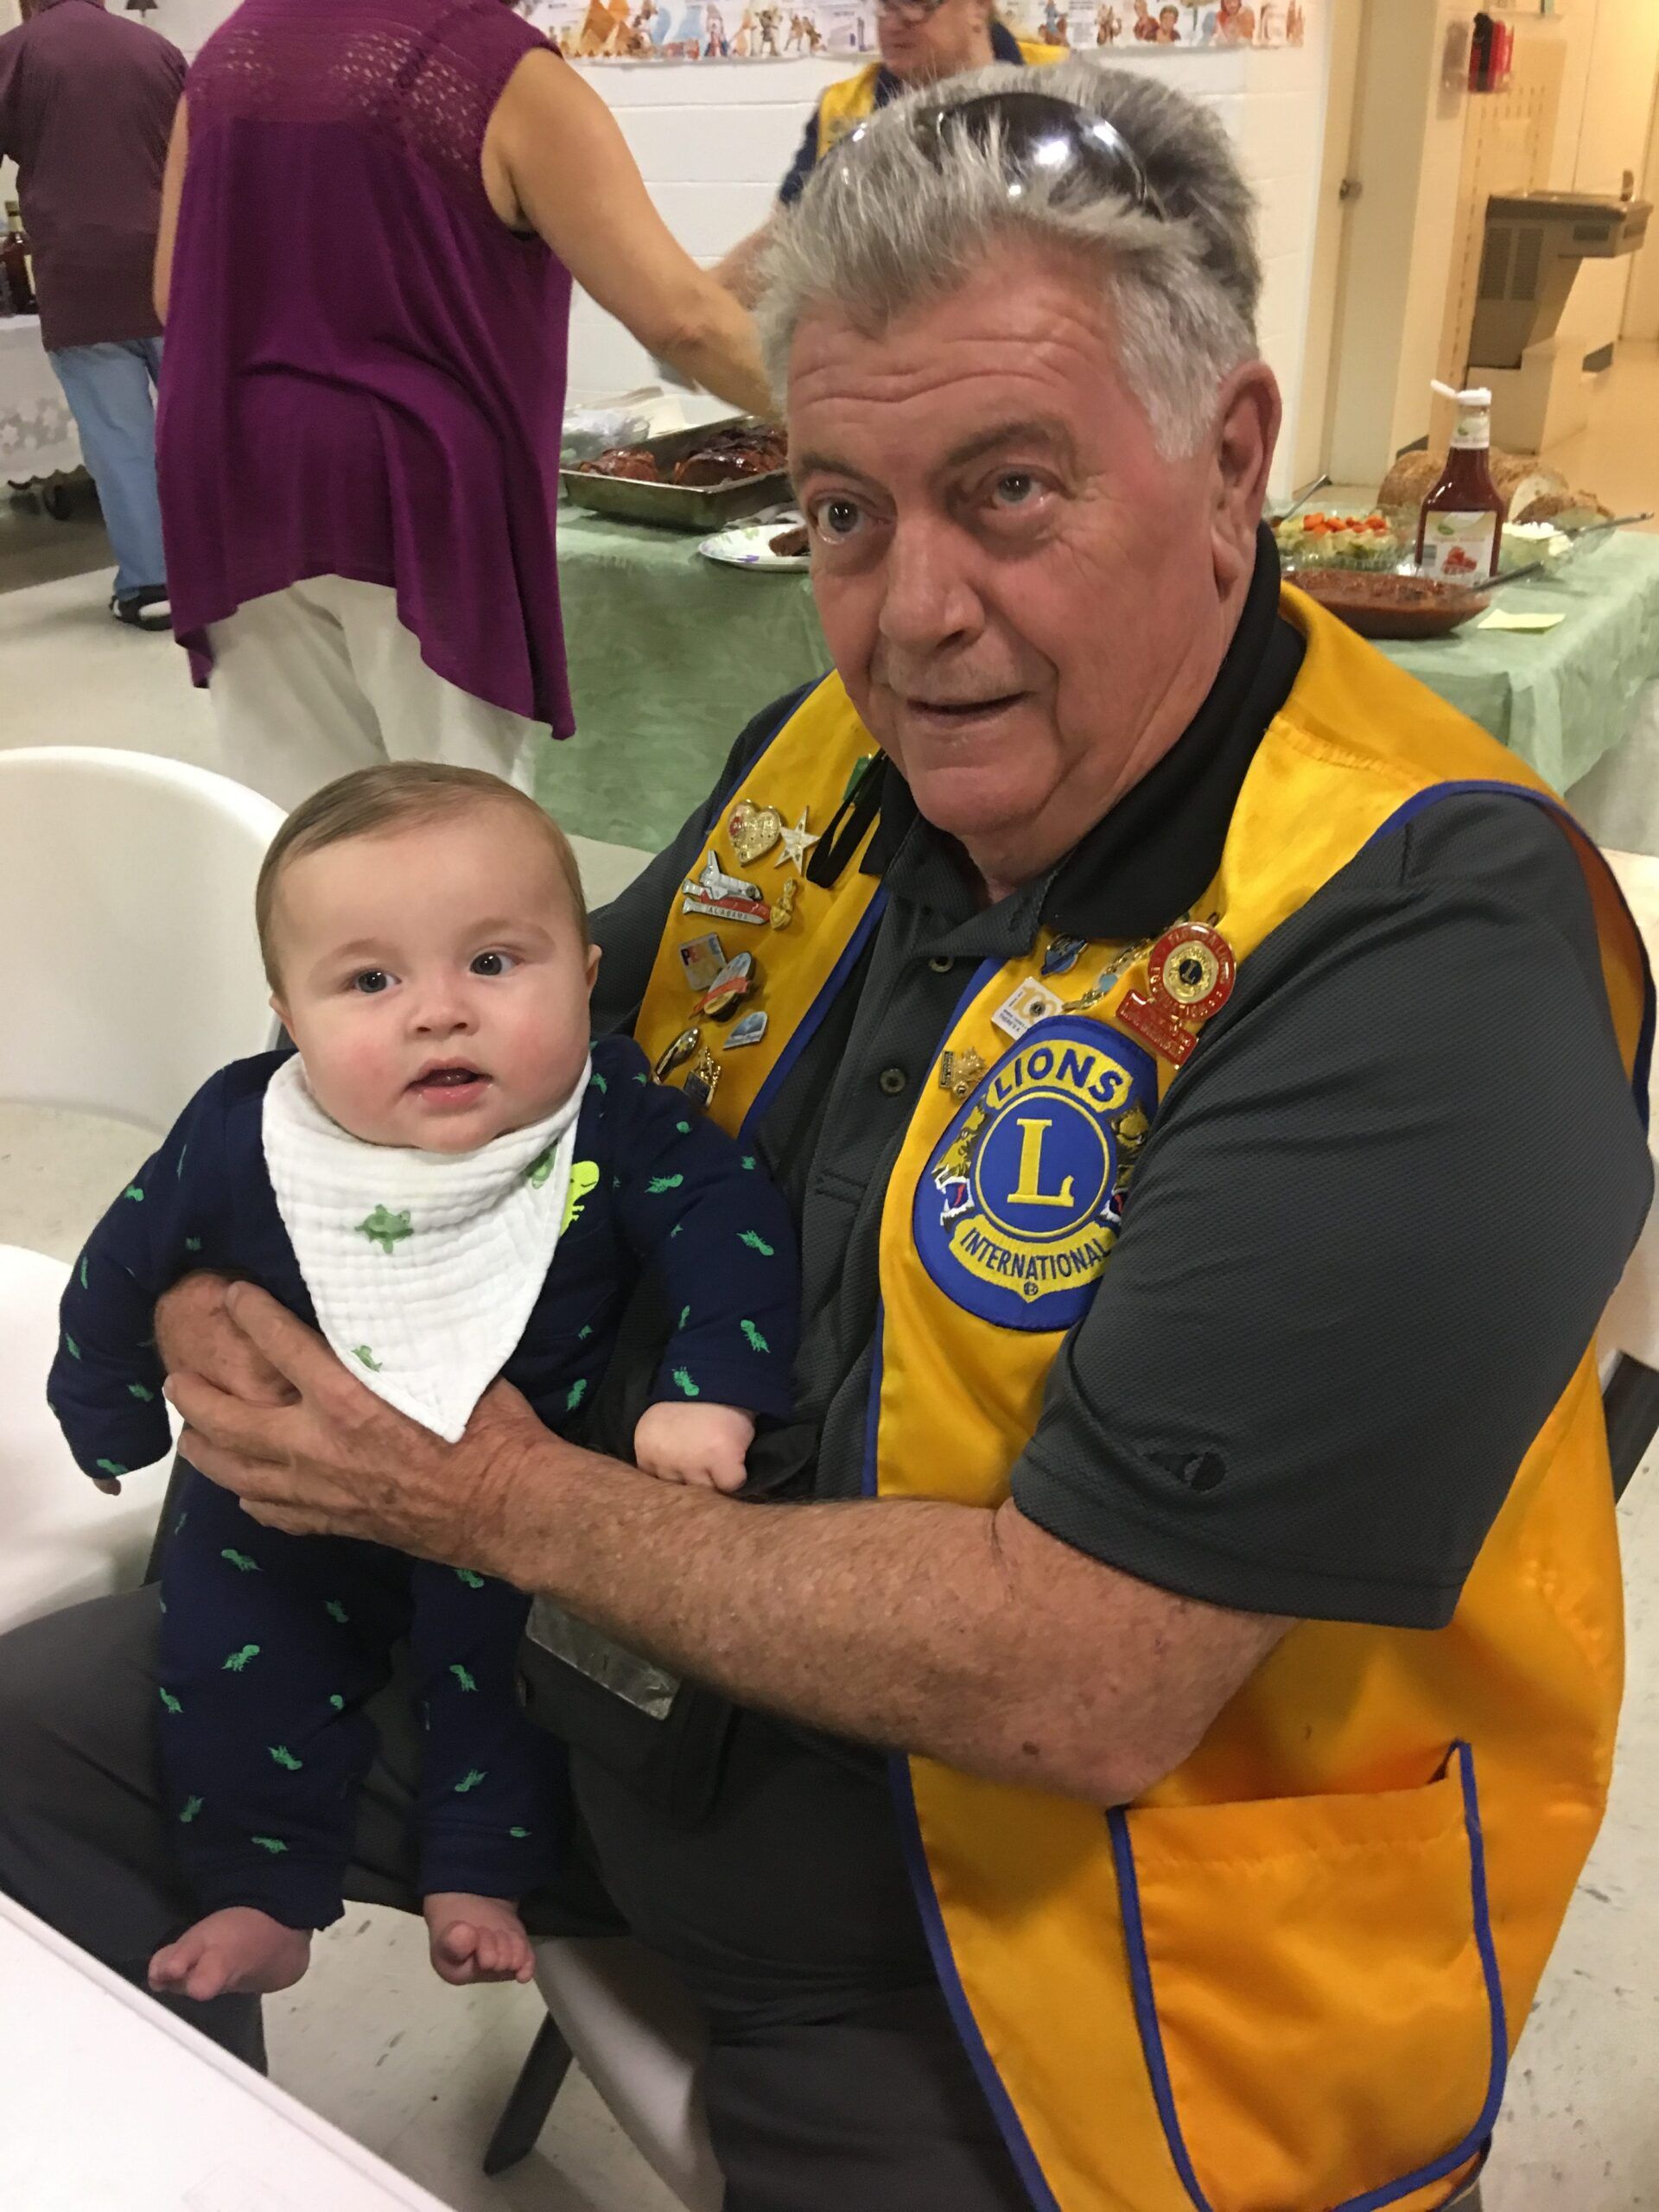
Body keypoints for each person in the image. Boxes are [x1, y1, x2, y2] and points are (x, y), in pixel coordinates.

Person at [3, 59, 1653, 2212]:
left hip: (1056, 1913)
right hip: (621, 1666)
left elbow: (1090, 1676)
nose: (910, 612)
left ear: (1232, 457)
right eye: (847, 509)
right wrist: (248, 1252)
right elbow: (511, 1069)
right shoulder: (834, 752)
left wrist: (478, 1496)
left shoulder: (1426, 929)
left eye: (1011, 488)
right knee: (32, 1753)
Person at [47, 763, 797, 2005]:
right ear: (285, 1012)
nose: (439, 1014)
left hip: (518, 1500)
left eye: (495, 965)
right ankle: (257, 1885)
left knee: (503, 1673)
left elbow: (733, 1236)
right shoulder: (245, 1132)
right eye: (370, 981)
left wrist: (707, 1388)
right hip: (276, 1505)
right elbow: (124, 1263)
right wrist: (107, 1403)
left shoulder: (613, 1122)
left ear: (590, 973)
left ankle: (479, 1871)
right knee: (229, 1646)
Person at [152, 0, 772, 812]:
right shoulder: (499, 71)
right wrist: (848, 412)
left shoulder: (225, 60)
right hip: (410, 490)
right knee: (457, 819)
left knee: (303, 824)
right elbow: (683, 317)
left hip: (228, 474)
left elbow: (174, 294)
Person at [0, 0, 183, 632]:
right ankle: (241, 566)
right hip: (172, 264)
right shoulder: (153, 49)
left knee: (119, 437)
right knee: (199, 426)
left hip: (80, 273)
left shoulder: (18, 53)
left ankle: (153, 584)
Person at [713, 0, 1064, 304]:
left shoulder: (1062, 85)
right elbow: (787, 239)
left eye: (914, 4)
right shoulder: (846, 108)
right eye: (884, 4)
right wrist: (704, 303)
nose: (892, 22)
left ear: (978, 7)